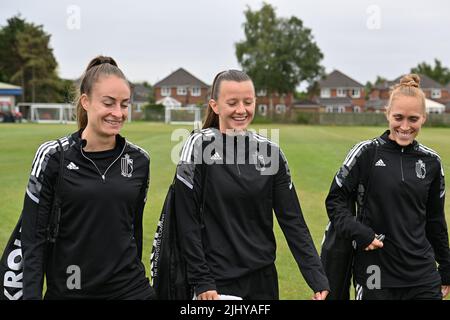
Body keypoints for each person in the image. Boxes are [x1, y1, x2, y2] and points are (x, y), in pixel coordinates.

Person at [174, 70, 329, 300]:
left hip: (263, 282)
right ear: (215, 106)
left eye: (248, 102)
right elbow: (186, 220)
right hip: (217, 285)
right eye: (232, 102)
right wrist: (202, 280)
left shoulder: (271, 153)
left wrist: (316, 276)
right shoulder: (197, 147)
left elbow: (293, 220)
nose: (241, 110)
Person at [21, 56, 154, 299]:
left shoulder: (139, 161)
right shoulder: (53, 156)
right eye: (108, 103)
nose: (118, 112)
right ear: (85, 101)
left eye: (124, 104)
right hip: (72, 290)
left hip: (129, 290)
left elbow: (133, 230)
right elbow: (33, 240)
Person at [325, 74, 450, 300]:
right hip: (375, 272)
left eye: (413, 119)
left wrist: (446, 266)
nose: (405, 126)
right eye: (398, 117)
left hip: (422, 275)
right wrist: (359, 232)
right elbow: (335, 201)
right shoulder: (365, 153)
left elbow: (435, 220)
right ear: (387, 114)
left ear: (423, 118)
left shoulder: (432, 162)